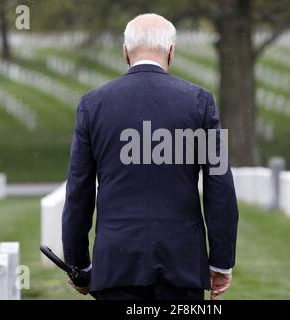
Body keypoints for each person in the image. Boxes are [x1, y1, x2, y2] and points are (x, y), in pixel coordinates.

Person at [62, 13, 239, 300]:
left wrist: (77, 264)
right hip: (181, 263)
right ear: (171, 51)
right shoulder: (200, 102)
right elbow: (220, 185)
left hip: (116, 264)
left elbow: (78, 191)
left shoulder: (92, 105)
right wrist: (221, 261)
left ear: (125, 52)